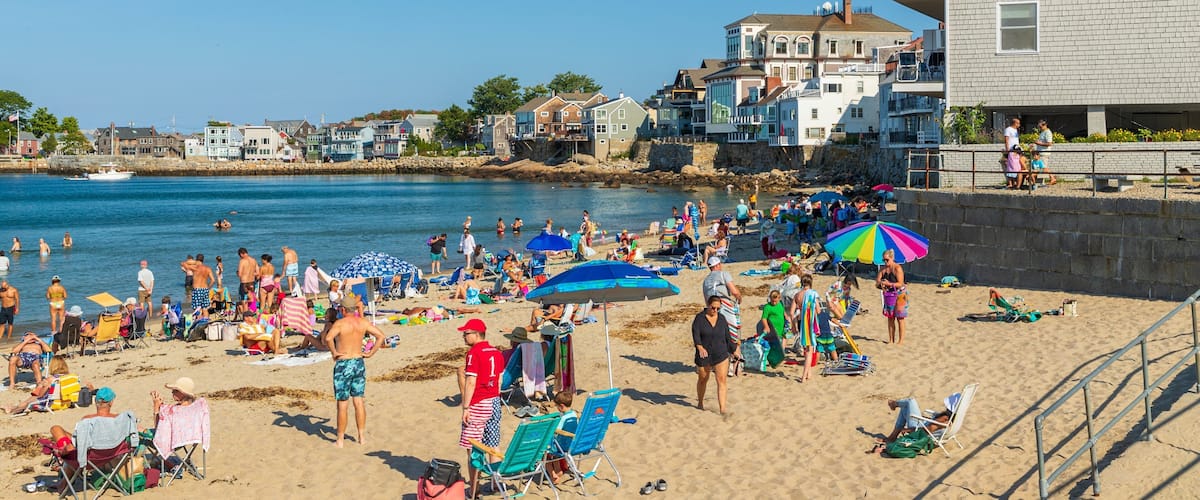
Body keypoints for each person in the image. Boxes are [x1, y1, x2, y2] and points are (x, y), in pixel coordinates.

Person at [456, 318, 504, 499]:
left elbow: (470, 381)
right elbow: (499, 380)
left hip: (479, 403)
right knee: (493, 444)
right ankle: (496, 483)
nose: (463, 337)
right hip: (494, 401)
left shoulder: (474, 353)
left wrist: (466, 407)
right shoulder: (497, 352)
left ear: (477, 334)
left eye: (466, 333)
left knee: (473, 448)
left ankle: (474, 490)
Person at [323, 306, 384, 448]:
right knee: (358, 400)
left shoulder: (340, 323)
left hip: (344, 363)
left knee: (343, 404)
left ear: (343, 310)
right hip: (358, 362)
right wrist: (370, 353)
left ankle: (340, 440)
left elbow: (328, 338)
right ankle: (361, 437)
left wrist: (334, 352)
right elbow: (381, 336)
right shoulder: (362, 322)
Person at [869, 392, 962, 451]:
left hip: (919, 429)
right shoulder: (952, 418)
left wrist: (909, 430)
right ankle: (892, 436)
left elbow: (926, 431)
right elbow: (932, 427)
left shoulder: (944, 420)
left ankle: (894, 404)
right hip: (923, 424)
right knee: (906, 406)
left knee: (910, 402)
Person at [1, 356, 93, 414]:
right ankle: (13, 406)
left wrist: (41, 386)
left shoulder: (51, 379)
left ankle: (12, 410)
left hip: (51, 403)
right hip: (65, 402)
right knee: (29, 401)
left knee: (29, 401)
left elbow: (40, 395)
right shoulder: (71, 377)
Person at [693, 296, 737, 415]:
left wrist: (734, 350)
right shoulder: (699, 318)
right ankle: (700, 403)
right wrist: (700, 347)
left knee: (721, 379)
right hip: (704, 354)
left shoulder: (722, 319)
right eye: (713, 308)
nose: (715, 311)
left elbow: (727, 337)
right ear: (708, 305)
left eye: (718, 308)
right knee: (703, 378)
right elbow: (696, 334)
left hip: (720, 353)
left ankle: (722, 409)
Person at [789, 274, 822, 383]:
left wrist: (793, 325)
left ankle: (808, 374)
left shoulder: (797, 295)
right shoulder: (812, 294)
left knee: (805, 349)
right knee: (809, 350)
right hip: (810, 323)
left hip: (800, 321)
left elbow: (791, 312)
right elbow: (818, 310)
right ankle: (803, 376)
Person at [702, 257, 742, 345]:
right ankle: (735, 355)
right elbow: (734, 291)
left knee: (719, 334)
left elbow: (706, 300)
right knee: (733, 334)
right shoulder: (723, 274)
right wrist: (739, 298)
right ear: (718, 265)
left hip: (712, 310)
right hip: (724, 306)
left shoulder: (705, 281)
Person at [877, 249, 909, 344]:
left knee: (900, 318)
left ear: (892, 258)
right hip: (889, 295)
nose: (885, 262)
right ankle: (891, 340)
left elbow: (900, 283)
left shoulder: (897, 268)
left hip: (900, 294)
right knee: (890, 317)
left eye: (887, 260)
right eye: (884, 260)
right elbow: (877, 282)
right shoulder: (883, 269)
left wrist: (889, 284)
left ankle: (901, 341)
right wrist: (881, 284)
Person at [756, 290, 787, 368]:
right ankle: (771, 360)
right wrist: (766, 326)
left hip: (781, 328)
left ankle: (780, 358)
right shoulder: (767, 307)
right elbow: (764, 318)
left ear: (779, 298)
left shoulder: (780, 304)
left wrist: (786, 317)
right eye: (772, 301)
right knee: (773, 345)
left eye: (775, 301)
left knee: (782, 342)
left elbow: (782, 312)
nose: (774, 303)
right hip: (773, 329)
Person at [1032, 119, 1057, 184]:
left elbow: (1049, 143)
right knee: (1042, 167)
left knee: (1043, 167)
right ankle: (1045, 180)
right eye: (1039, 127)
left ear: (1045, 125)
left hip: (1044, 152)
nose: (1039, 128)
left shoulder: (1048, 132)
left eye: (1040, 127)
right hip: (1041, 153)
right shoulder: (1043, 132)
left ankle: (1052, 178)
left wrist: (1038, 143)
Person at [1003, 117, 1023, 189]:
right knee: (1011, 167)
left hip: (1017, 150)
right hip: (1012, 150)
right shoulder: (1008, 129)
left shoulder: (1015, 130)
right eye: (1018, 123)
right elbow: (1006, 140)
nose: (1019, 125)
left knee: (1016, 166)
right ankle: (1011, 183)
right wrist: (1008, 150)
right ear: (1015, 123)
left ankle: (1015, 183)